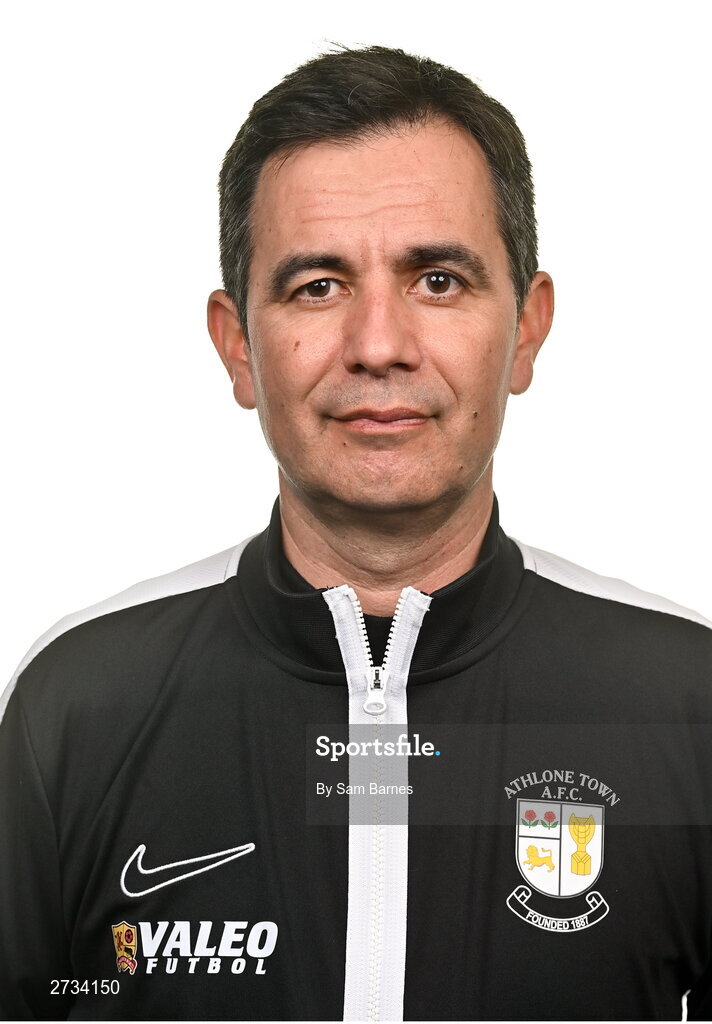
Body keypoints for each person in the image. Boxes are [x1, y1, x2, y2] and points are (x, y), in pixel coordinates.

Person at [0, 43, 710, 1023]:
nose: (378, 344)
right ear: (237, 345)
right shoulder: (74, 710)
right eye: (317, 287)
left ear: (527, 330)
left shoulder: (686, 705)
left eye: (439, 280)